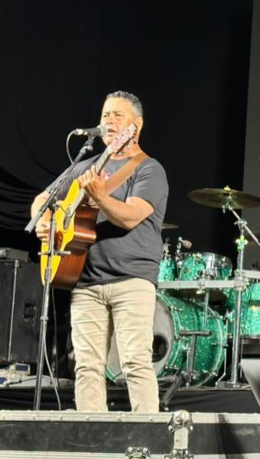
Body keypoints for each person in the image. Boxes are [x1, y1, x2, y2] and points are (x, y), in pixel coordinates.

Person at [32, 91, 168, 413]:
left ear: (136, 126)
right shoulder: (86, 166)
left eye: (118, 115)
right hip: (86, 281)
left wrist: (101, 196)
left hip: (131, 279)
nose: (109, 121)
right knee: (86, 366)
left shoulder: (149, 169)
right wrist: (46, 222)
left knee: (135, 363)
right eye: (105, 115)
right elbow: (41, 201)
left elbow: (130, 216)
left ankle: (147, 437)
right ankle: (92, 438)